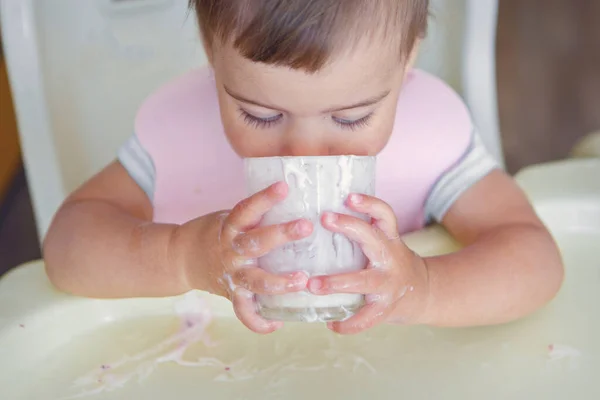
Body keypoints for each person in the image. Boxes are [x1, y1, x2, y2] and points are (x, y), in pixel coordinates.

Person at [43, 0, 564, 335]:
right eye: (261, 114)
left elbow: (535, 260)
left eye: (352, 116)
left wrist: (423, 286)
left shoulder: (429, 138)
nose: (307, 152)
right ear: (212, 57)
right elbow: (69, 244)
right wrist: (183, 257)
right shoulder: (181, 131)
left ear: (407, 59)